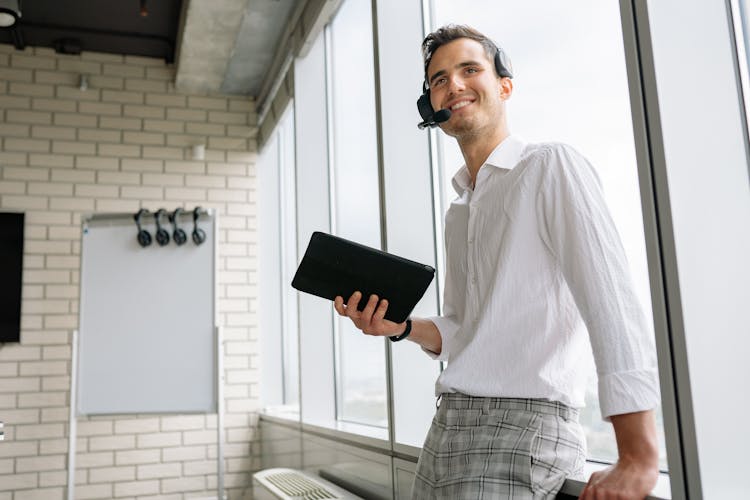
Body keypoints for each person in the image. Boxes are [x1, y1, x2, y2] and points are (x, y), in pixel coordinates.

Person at [334, 24, 660, 499]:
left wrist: (638, 455)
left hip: (523, 428)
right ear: (433, 107)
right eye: (439, 79)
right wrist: (400, 327)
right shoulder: (460, 209)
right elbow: (469, 331)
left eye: (470, 69)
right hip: (446, 429)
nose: (455, 85)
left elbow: (611, 303)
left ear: (504, 86)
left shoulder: (550, 166)